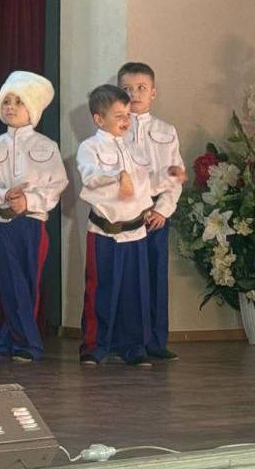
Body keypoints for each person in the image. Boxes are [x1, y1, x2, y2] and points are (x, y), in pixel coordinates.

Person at [77, 85, 183, 367]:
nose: (126, 120)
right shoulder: (90, 148)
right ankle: (95, 347)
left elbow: (146, 184)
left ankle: (133, 347)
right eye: (119, 116)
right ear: (99, 119)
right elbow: (91, 177)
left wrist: (170, 176)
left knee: (135, 291)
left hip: (136, 232)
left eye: (127, 115)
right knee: (101, 289)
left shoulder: (133, 149)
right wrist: (118, 175)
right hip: (105, 232)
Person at [0, 71, 68, 363]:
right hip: (2, 224)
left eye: (18, 102)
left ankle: (23, 342)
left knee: (27, 282)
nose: (11, 107)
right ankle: (17, 340)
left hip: (32, 223)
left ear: (33, 109)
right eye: (7, 101)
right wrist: (4, 195)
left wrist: (28, 201)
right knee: (9, 282)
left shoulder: (46, 146)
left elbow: (57, 185)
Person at [118, 62, 187, 362]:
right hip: (126, 213)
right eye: (127, 89)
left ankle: (156, 341)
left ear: (153, 92)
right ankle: (128, 342)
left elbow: (175, 175)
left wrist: (163, 210)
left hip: (157, 214)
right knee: (129, 278)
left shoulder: (166, 131)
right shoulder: (115, 130)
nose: (134, 94)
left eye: (141, 88)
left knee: (156, 276)